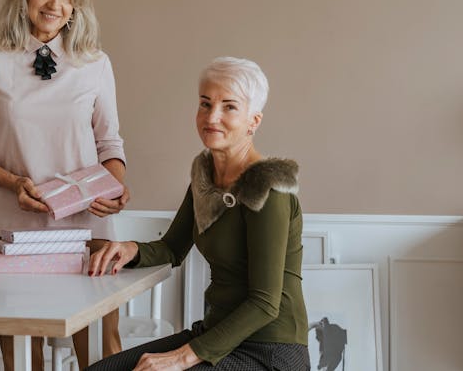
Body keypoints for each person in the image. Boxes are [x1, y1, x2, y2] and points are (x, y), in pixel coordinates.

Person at [0, 0, 129, 371]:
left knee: (101, 349)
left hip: (85, 225)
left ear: (76, 5)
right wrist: (15, 184)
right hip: (10, 226)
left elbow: (110, 145)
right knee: (22, 354)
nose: (55, 3)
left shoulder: (95, 64)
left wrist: (117, 187)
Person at [87, 57, 310, 371]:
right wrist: (129, 249)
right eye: (205, 104)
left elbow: (264, 303)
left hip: (269, 350)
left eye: (229, 106)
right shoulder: (204, 178)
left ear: (254, 120)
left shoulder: (267, 188)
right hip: (218, 332)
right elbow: (172, 248)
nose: (212, 116)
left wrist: (183, 357)